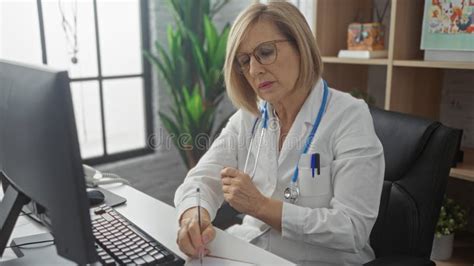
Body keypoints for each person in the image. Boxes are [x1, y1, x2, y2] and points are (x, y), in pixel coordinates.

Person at [174, 2, 385, 265]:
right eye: (245, 60)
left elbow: (352, 229)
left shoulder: (349, 117)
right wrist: (195, 216)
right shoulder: (250, 118)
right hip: (250, 252)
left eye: (265, 52)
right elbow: (201, 179)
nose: (254, 70)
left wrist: (261, 206)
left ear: (300, 45)